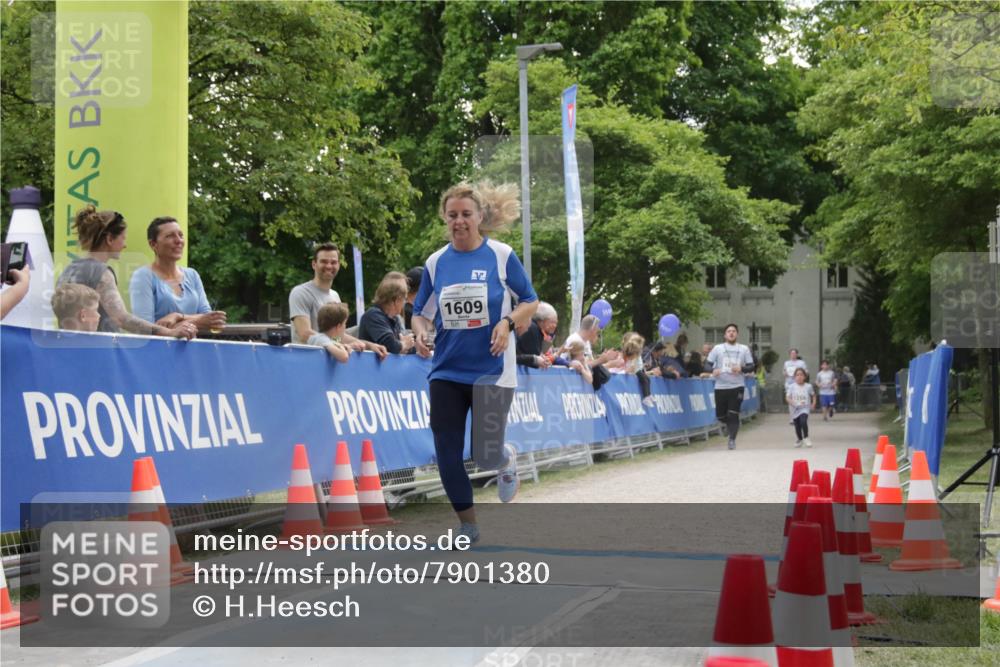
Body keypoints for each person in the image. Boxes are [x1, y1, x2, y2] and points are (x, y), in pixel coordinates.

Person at [411, 181, 538, 546]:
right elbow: (420, 312)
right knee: (446, 451)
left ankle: (503, 458)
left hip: (492, 370)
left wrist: (507, 322)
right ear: (444, 218)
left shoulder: (501, 255)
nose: (460, 221)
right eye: (453, 215)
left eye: (467, 214)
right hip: (447, 371)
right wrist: (420, 331)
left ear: (480, 217)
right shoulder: (436, 262)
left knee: (483, 457)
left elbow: (529, 300)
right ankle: (468, 525)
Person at [57, 206, 197, 339]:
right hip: (100, 352)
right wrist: (169, 332)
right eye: (123, 238)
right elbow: (122, 318)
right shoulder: (101, 273)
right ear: (110, 239)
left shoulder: (68, 270)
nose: (125, 245)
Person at [288, 242, 387, 358]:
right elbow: (304, 333)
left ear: (339, 265)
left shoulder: (335, 296)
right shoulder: (300, 292)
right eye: (324, 261)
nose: (329, 266)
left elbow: (336, 336)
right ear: (314, 264)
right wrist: (334, 344)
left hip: (330, 364)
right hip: (306, 362)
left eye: (333, 262)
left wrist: (368, 345)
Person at [129, 217, 226, 332]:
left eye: (181, 235)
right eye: (170, 236)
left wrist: (178, 316)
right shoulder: (143, 276)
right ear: (153, 244)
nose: (178, 240)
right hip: (158, 349)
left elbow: (210, 319)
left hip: (193, 348)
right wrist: (196, 322)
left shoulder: (192, 275)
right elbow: (144, 328)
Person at [706, 323, 755, 450]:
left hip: (737, 386)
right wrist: (713, 370)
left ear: (737, 334)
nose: (731, 333)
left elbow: (752, 366)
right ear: (725, 334)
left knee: (733, 413)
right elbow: (707, 365)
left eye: (733, 331)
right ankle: (730, 426)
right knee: (720, 415)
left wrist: (742, 368)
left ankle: (732, 439)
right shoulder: (718, 348)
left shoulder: (744, 349)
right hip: (721, 386)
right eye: (729, 331)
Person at [358, 276, 415, 354]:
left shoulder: (394, 318)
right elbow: (391, 345)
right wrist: (404, 344)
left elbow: (403, 348)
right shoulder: (373, 315)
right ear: (396, 300)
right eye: (404, 299)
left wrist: (407, 345)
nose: (405, 302)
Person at [787, 367, 816, 448]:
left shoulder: (808, 386)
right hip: (795, 409)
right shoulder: (791, 386)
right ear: (794, 377)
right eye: (797, 375)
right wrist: (793, 403)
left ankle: (806, 437)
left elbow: (813, 395)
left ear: (805, 377)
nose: (799, 377)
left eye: (801, 375)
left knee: (803, 421)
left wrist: (813, 403)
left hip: (805, 408)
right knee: (797, 426)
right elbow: (788, 397)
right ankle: (799, 439)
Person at [783, 349, 808, 423]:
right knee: (790, 401)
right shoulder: (786, 363)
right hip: (789, 384)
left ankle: (800, 415)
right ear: (789, 354)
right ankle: (792, 418)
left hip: (799, 384)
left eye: (794, 353)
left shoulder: (801, 363)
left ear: (797, 354)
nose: (793, 355)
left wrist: (802, 376)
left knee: (799, 400)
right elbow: (784, 371)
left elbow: (806, 372)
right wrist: (785, 373)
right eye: (791, 353)